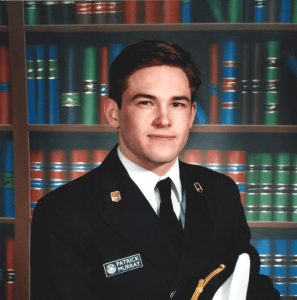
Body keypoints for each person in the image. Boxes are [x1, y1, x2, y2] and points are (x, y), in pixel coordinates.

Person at [30, 40, 280, 300]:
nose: (164, 120)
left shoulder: (220, 192)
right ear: (113, 113)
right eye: (146, 103)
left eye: (177, 104)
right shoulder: (64, 212)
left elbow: (253, 288)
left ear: (192, 115)